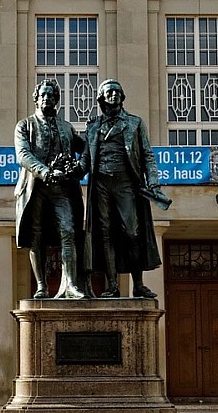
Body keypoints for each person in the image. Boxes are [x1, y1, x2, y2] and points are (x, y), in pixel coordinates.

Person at [81, 79, 166, 298]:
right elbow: (85, 160)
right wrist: (67, 173)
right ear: (101, 97)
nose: (114, 95)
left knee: (132, 232)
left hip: (125, 183)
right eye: (109, 92)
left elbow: (147, 154)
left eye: (118, 92)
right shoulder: (93, 126)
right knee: (105, 233)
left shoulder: (134, 123)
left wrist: (153, 181)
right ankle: (112, 285)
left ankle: (138, 283)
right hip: (100, 183)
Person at [14, 79, 88, 299]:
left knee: (68, 230)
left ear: (56, 100)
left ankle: (71, 285)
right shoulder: (24, 125)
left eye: (51, 95)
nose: (47, 98)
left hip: (62, 189)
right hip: (35, 188)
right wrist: (45, 171)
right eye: (43, 95)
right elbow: (23, 155)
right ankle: (41, 286)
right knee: (37, 236)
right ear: (36, 99)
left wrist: (80, 168)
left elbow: (86, 147)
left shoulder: (66, 127)